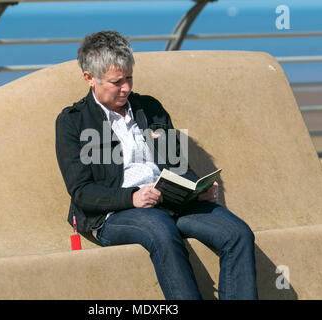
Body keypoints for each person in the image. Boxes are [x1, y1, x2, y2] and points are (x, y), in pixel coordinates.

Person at [55, 30, 258, 300]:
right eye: (117, 82)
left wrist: (197, 187)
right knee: (160, 228)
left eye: (129, 78)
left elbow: (176, 165)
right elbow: (82, 192)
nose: (126, 88)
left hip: (172, 203)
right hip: (114, 215)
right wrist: (133, 197)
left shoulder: (150, 108)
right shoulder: (73, 122)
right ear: (90, 79)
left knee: (237, 234)